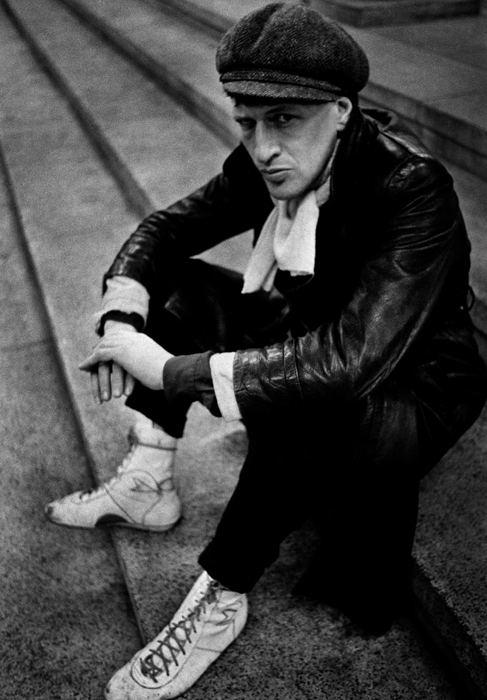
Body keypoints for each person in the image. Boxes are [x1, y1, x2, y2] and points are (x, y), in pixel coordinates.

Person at [46, 3, 487, 698]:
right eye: (247, 122)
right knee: (176, 287)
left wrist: (168, 369)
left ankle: (221, 594)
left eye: (284, 119)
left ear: (341, 111)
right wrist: (122, 316)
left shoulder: (411, 186)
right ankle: (148, 482)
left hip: (416, 381)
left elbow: (348, 361)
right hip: (319, 334)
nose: (262, 148)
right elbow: (165, 231)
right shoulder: (270, 161)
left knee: (306, 396)